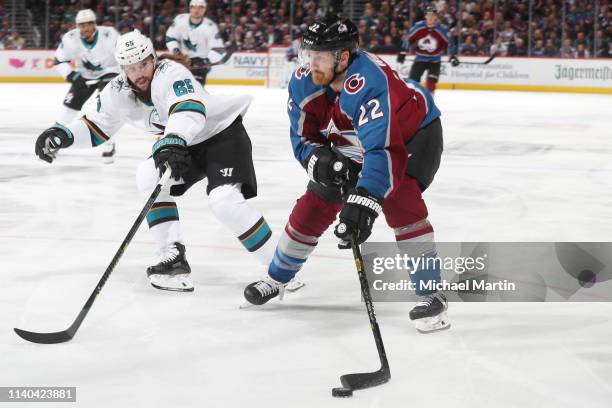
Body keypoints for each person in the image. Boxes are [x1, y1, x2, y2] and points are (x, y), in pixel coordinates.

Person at [243, 15, 450, 333]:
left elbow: (382, 152)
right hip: (356, 141)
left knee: (400, 197)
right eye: (308, 54)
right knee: (318, 199)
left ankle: (432, 295)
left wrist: (364, 203)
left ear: (344, 56)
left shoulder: (369, 81)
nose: (311, 64)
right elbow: (302, 140)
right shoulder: (304, 83)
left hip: (412, 134)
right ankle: (277, 279)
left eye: (320, 56)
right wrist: (321, 163)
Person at [34, 30, 279, 293]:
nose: (139, 72)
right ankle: (172, 257)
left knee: (224, 202)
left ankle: (281, 269)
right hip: (181, 143)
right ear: (122, 68)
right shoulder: (116, 91)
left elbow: (187, 108)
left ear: (153, 58)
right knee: (147, 176)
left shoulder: (171, 72)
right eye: (130, 67)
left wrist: (172, 139)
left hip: (221, 135)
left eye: (143, 64)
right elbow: (95, 125)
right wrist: (64, 134)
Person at [53, 9, 119, 163]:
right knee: (68, 108)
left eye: (88, 25)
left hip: (110, 73)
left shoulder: (109, 35)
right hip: (84, 76)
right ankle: (55, 138)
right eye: (81, 26)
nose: (85, 29)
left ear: (94, 25)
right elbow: (59, 60)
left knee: (106, 107)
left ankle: (109, 143)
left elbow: (123, 53)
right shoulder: (70, 38)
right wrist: (73, 76)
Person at [396, 4, 458, 95]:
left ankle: (429, 105)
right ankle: (414, 104)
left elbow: (449, 43)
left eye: (432, 15)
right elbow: (408, 38)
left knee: (430, 84)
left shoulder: (442, 29)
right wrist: (403, 51)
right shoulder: (419, 27)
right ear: (425, 16)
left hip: (435, 61)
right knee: (412, 83)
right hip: (420, 59)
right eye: (428, 15)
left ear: (436, 16)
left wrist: (452, 56)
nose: (430, 17)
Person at [165, 0, 224, 86]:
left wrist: (207, 60)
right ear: (190, 8)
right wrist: (175, 50)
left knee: (197, 91)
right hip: (182, 62)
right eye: (194, 7)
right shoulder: (180, 20)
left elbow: (218, 49)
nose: (197, 10)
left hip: (199, 66)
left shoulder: (210, 26)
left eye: (200, 7)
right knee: (178, 91)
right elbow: (170, 38)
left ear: (205, 9)